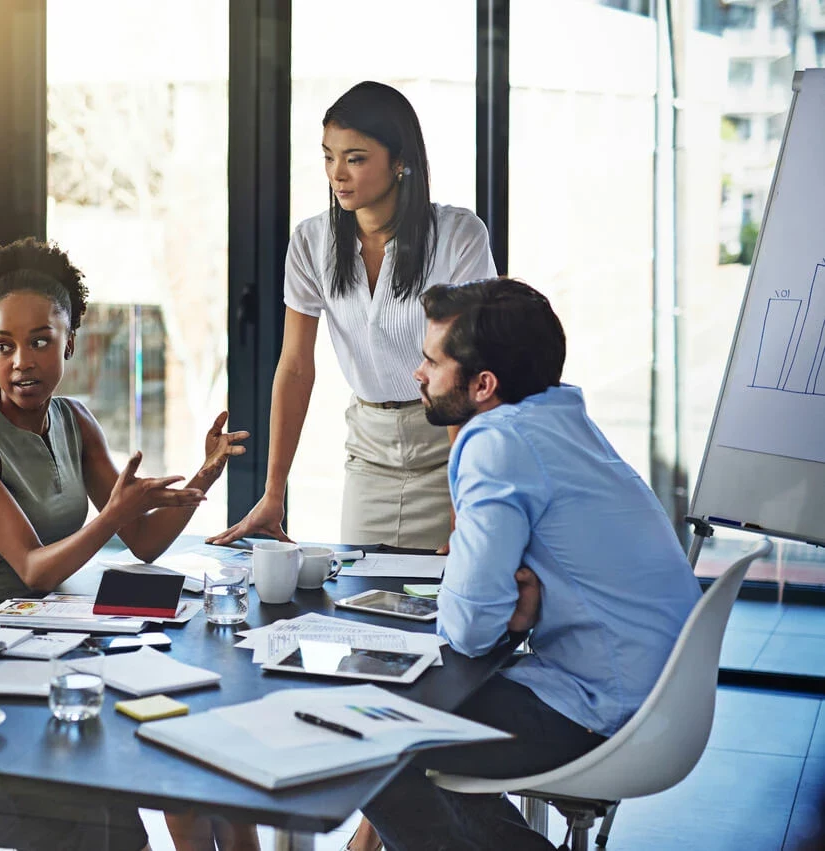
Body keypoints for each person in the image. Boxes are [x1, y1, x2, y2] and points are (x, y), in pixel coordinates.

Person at [0, 237, 255, 851]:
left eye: (40, 341)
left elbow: (145, 541)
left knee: (204, 755)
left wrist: (206, 472)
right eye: (4, 346)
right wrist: (112, 517)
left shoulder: (74, 421)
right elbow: (32, 570)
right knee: (142, 789)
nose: (22, 360)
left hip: (47, 628)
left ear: (69, 342)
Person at [356, 278, 702, 850]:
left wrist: (503, 616)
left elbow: (467, 629)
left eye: (430, 360)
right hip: (657, 696)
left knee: (368, 734)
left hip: (603, 710)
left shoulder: (496, 441)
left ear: (483, 384)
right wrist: (515, 616)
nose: (418, 373)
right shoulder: (560, 418)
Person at [211, 80, 496, 552]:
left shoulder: (459, 236)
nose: (337, 174)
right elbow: (296, 366)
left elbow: (464, 373)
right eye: (329, 156)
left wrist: (461, 506)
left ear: (400, 160)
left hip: (451, 447)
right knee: (364, 602)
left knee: (446, 603)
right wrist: (273, 492)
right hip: (370, 451)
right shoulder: (310, 242)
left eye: (355, 158)